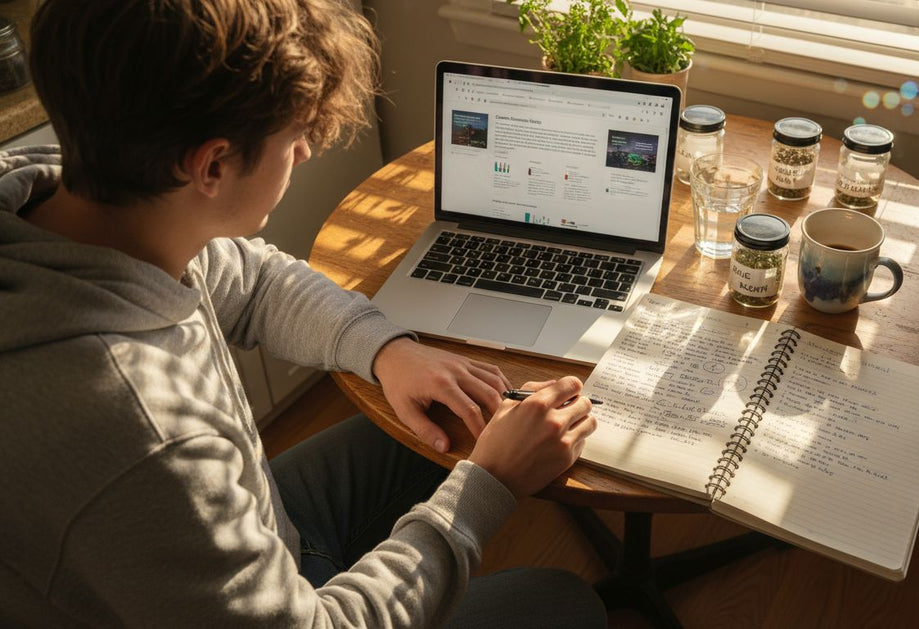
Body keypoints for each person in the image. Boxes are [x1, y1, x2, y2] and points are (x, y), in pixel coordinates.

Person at [0, 0, 606, 627]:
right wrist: (489, 487)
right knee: (564, 603)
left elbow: (255, 280)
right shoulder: (146, 434)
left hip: (247, 540)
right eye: (297, 139)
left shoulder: (64, 199)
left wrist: (390, 351)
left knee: (456, 415)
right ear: (211, 165)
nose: (306, 154)